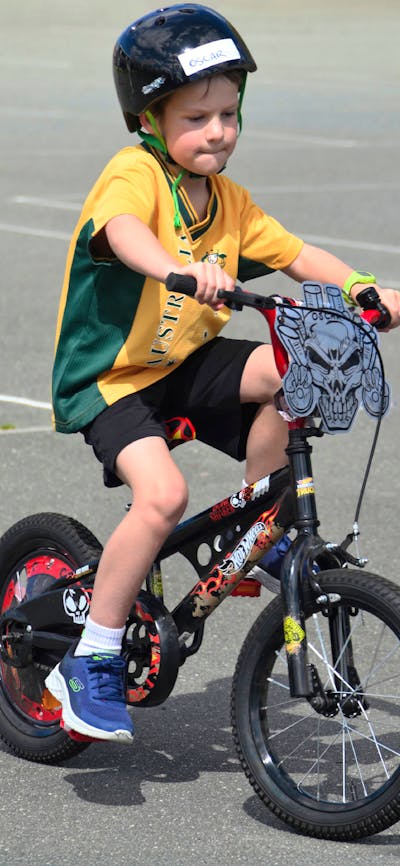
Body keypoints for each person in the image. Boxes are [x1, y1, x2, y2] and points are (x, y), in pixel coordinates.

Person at [45, 4, 400, 743]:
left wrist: (365, 291)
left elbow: (302, 257)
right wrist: (177, 268)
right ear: (148, 118)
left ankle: (259, 517)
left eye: (230, 114)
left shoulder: (229, 204)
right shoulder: (135, 174)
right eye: (198, 116)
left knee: (293, 360)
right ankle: (93, 657)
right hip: (112, 378)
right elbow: (122, 231)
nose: (218, 131)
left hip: (181, 364)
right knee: (163, 496)